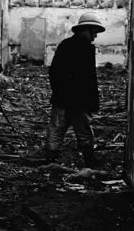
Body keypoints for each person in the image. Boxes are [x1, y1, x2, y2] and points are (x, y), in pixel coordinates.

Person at [44, 12, 105, 168]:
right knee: (84, 131)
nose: (95, 37)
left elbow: (54, 72)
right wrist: (92, 102)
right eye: (94, 32)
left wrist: (58, 92)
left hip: (62, 98)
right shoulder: (87, 49)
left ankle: (50, 159)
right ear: (86, 30)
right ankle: (90, 161)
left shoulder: (65, 45)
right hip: (80, 101)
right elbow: (89, 79)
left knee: (56, 129)